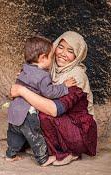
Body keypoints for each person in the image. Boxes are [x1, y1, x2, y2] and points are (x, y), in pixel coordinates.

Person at [10, 31, 97, 166]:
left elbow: (55, 109)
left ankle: (68, 152)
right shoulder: (49, 68)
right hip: (63, 121)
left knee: (42, 114)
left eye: (70, 51)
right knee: (25, 110)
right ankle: (45, 147)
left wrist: (22, 90)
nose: (63, 53)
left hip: (78, 130)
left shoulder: (76, 77)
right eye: (60, 47)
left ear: (77, 55)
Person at [6, 36, 76, 166]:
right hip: (27, 113)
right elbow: (49, 92)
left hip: (14, 109)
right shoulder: (43, 75)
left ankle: (10, 155)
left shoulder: (24, 69)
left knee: (14, 133)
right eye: (51, 57)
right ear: (43, 58)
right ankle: (43, 159)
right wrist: (64, 87)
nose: (53, 59)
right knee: (35, 136)